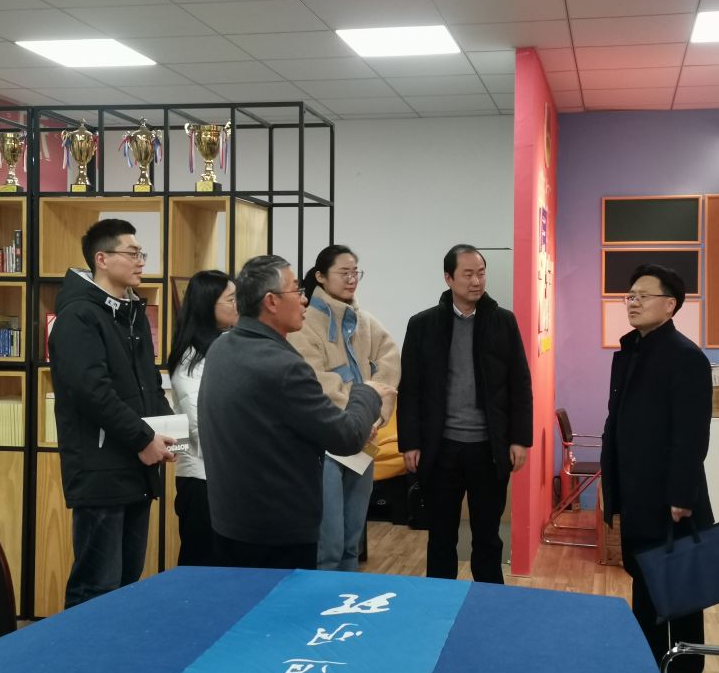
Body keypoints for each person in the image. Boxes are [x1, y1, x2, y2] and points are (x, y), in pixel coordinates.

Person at [198, 255, 395, 571]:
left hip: (231, 522)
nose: (304, 299)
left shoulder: (222, 348)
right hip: (277, 532)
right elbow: (345, 437)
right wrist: (366, 392)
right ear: (271, 301)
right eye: (296, 290)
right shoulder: (283, 366)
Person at [599, 264, 713, 673]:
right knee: (645, 583)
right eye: (630, 295)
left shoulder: (685, 356)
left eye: (643, 295)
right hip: (636, 488)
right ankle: (648, 665)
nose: (632, 301)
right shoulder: (633, 350)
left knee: (679, 589)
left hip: (669, 497)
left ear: (670, 305)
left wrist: (682, 495)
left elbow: (691, 435)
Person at [48, 218, 176, 608]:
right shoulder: (79, 316)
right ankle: (79, 650)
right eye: (132, 253)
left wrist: (168, 431)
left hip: (136, 466)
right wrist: (143, 438)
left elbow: (148, 383)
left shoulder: (131, 312)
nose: (141, 261)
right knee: (96, 587)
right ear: (101, 259)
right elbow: (92, 392)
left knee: (126, 583)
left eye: (142, 254)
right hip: (101, 469)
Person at [398, 244, 532, 584]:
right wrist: (410, 442)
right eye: (468, 274)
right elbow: (410, 389)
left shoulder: (503, 322)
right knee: (441, 535)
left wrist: (520, 439)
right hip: (441, 448)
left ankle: (488, 602)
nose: (476, 281)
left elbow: (520, 383)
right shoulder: (423, 324)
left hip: (489, 448)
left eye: (481, 273)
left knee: (487, 536)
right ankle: (439, 603)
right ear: (448, 278)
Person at [288, 245, 400, 571]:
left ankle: (348, 596)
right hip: (326, 441)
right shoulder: (305, 322)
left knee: (352, 540)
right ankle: (323, 600)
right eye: (344, 272)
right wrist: (359, 415)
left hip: (363, 438)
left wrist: (375, 417)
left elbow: (389, 361)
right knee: (330, 543)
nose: (352, 279)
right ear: (321, 276)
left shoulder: (364, 320)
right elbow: (317, 381)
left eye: (355, 272)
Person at [167, 270, 238, 566]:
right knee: (202, 567)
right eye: (231, 299)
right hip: (203, 478)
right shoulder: (191, 358)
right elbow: (201, 424)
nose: (238, 305)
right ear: (208, 305)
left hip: (228, 474)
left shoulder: (225, 346)